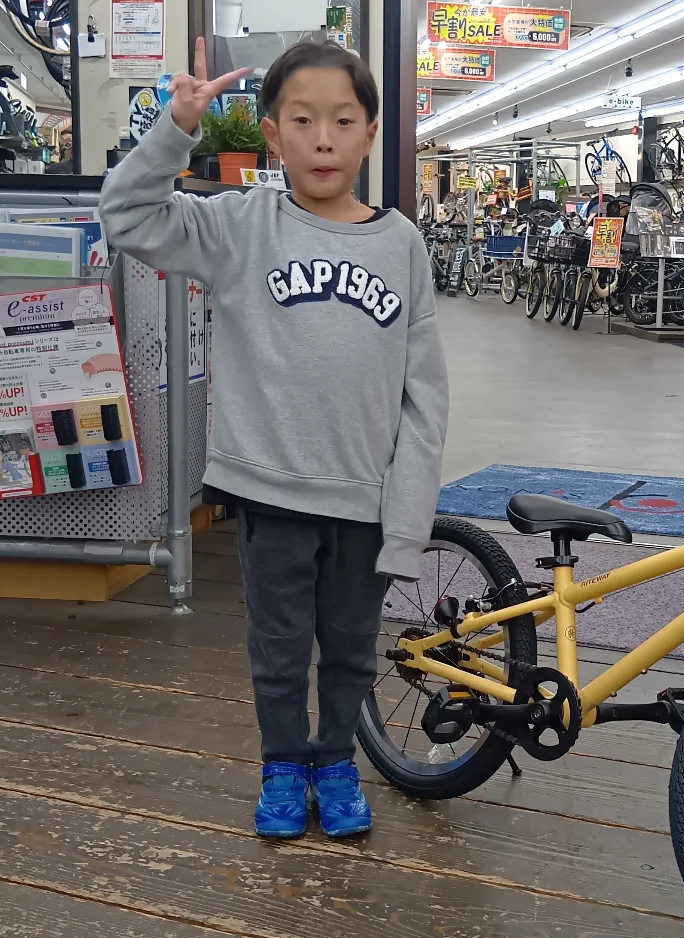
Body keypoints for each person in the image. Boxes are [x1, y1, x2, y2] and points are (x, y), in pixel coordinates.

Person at [99, 39, 448, 840]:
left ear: (370, 135)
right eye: (302, 120)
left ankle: (337, 763)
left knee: (352, 650)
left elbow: (425, 394)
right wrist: (175, 130)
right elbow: (125, 216)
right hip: (269, 493)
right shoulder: (238, 226)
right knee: (280, 650)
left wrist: (408, 518)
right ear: (271, 134)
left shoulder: (401, 243)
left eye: (343, 121)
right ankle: (284, 764)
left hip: (364, 499)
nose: (323, 139)